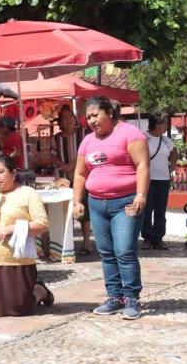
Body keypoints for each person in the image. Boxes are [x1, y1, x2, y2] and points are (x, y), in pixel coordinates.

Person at [73, 96, 149, 320]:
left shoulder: (130, 134)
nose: (92, 121)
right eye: (88, 117)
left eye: (96, 115)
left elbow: (143, 165)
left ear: (110, 113)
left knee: (124, 250)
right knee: (106, 252)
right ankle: (115, 297)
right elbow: (79, 173)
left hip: (125, 201)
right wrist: (78, 201)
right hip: (97, 203)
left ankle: (132, 298)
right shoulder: (87, 141)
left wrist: (141, 195)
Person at [0, 156, 54, 316]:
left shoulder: (28, 193)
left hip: (19, 259)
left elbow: (42, 224)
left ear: (13, 173)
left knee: (21, 309)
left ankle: (40, 291)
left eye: (0, 171)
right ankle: (36, 291)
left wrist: (14, 228)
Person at [52, 105, 93, 255]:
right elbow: (51, 154)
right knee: (65, 210)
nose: (68, 120)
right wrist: (63, 166)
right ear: (60, 122)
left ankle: (87, 242)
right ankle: (65, 243)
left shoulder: (84, 134)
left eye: (70, 116)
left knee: (84, 208)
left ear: (75, 119)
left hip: (83, 175)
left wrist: (72, 165)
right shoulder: (56, 138)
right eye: (64, 117)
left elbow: (89, 152)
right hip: (63, 177)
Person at [141, 112, 178, 250]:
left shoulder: (165, 140)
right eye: (164, 123)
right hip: (147, 179)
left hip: (163, 179)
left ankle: (158, 238)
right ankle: (147, 238)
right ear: (156, 124)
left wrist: (172, 167)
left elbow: (174, 152)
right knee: (146, 209)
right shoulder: (143, 137)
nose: (166, 126)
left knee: (160, 210)